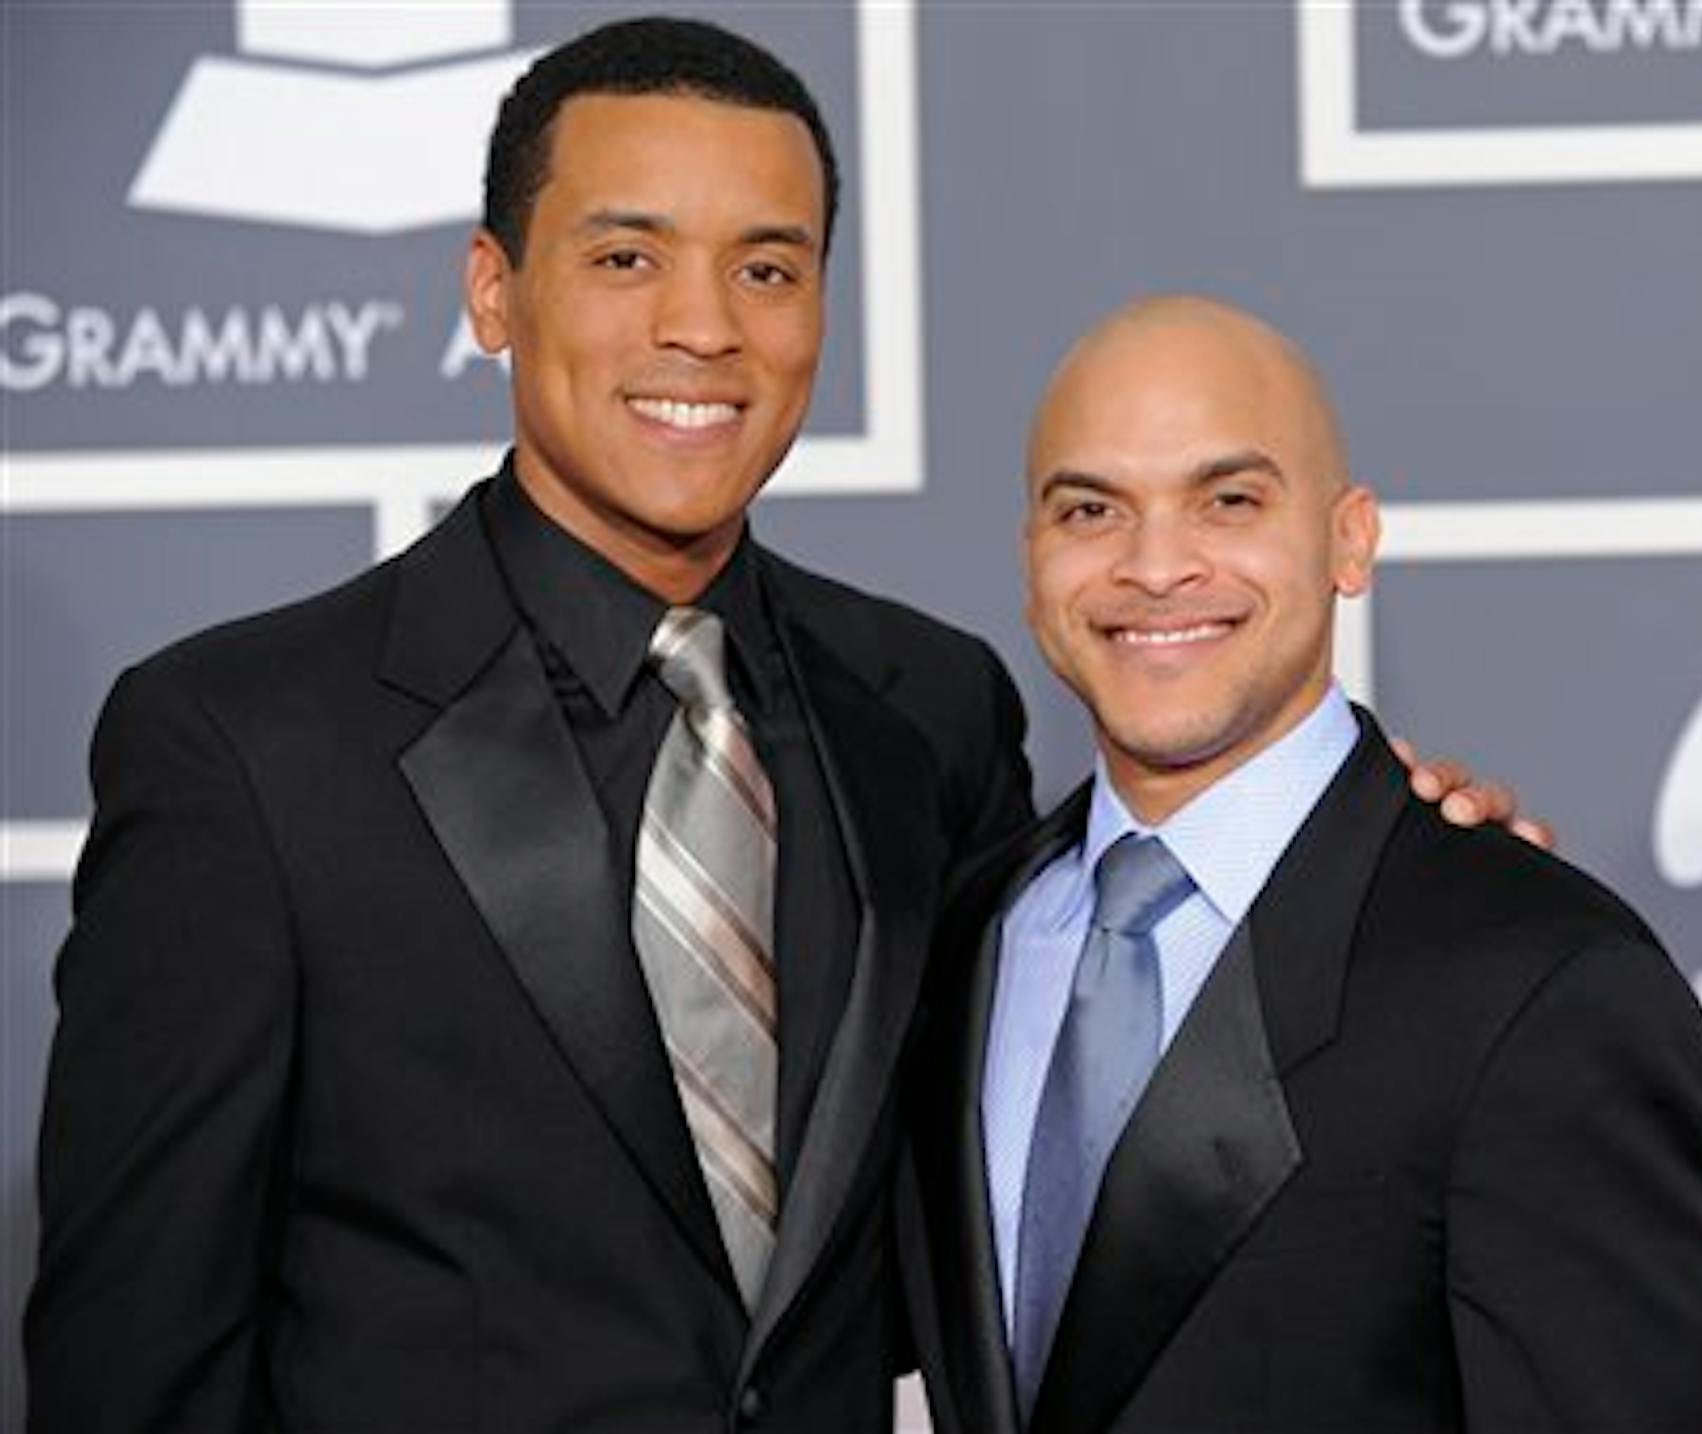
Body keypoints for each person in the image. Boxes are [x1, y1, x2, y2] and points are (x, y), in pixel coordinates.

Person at [24, 20, 1527, 1433]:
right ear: (493, 289)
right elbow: (135, 1354)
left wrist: (1380, 864)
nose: (703, 328)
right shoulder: (248, 745)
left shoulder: (928, 711)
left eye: (767, 268)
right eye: (627, 257)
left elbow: (1058, 1123)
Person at [907, 297, 1702, 1433]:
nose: (1155, 566)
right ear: (1032, 559)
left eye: (1229, 500)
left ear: (1350, 540)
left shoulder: (1543, 983)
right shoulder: (963, 941)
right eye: (1091, 509)